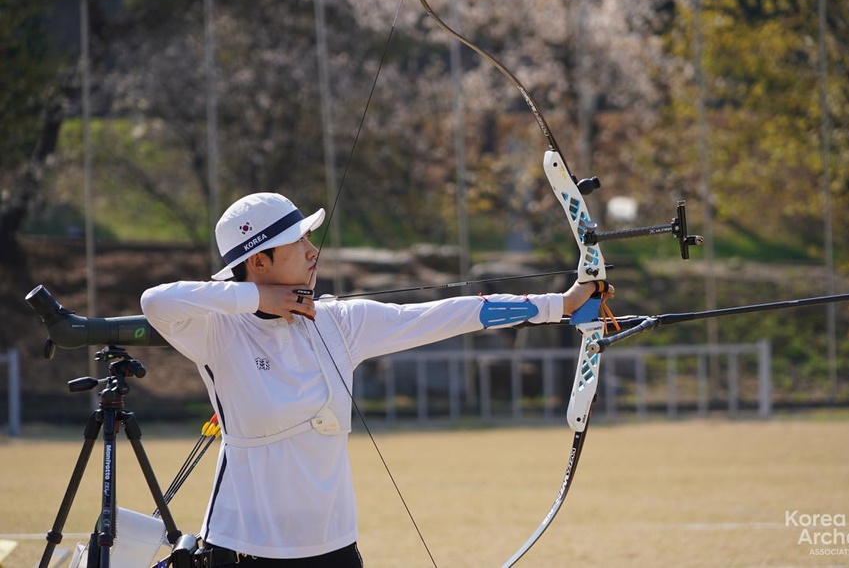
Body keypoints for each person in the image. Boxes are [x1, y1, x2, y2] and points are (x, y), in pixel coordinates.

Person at [141, 192, 601, 567]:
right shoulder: (220, 332)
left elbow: (454, 313)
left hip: (333, 546)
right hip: (242, 546)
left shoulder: (339, 321)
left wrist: (559, 305)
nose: (312, 251)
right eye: (297, 243)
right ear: (259, 263)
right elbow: (156, 301)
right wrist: (254, 297)